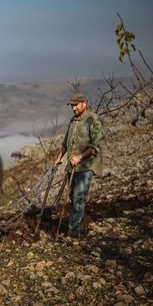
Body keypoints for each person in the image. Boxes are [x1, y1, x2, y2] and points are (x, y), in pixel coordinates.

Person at [53, 93, 104, 237]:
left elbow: (96, 146)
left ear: (84, 103)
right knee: (73, 197)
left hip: (86, 165)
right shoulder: (73, 121)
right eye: (72, 105)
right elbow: (65, 143)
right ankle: (79, 225)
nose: (73, 108)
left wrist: (80, 157)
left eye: (76, 105)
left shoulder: (93, 120)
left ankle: (73, 230)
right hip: (72, 165)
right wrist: (58, 159)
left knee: (78, 196)